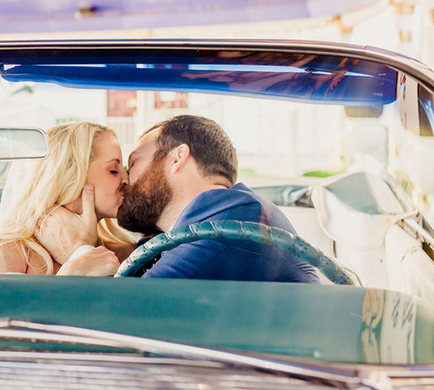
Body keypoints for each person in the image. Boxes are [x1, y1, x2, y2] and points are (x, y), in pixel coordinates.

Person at [36, 115, 320, 282]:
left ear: (177, 159)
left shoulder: (236, 221)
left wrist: (77, 252)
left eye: (132, 164)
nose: (125, 180)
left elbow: (124, 313)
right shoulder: (184, 231)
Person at [0, 122, 135, 275]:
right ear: (71, 177)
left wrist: (80, 251)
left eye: (124, 168)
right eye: (113, 170)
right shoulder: (6, 252)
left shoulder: (125, 254)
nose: (126, 179)